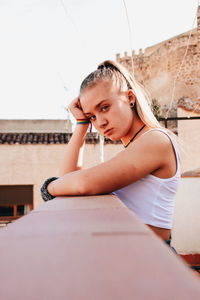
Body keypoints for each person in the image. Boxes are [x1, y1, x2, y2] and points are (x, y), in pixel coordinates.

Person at [41, 60, 181, 242]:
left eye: (105, 107)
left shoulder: (156, 140)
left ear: (130, 98)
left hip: (152, 256)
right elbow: (70, 179)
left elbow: (83, 184)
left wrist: (49, 187)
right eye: (92, 116)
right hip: (132, 253)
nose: (100, 122)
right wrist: (82, 124)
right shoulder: (136, 147)